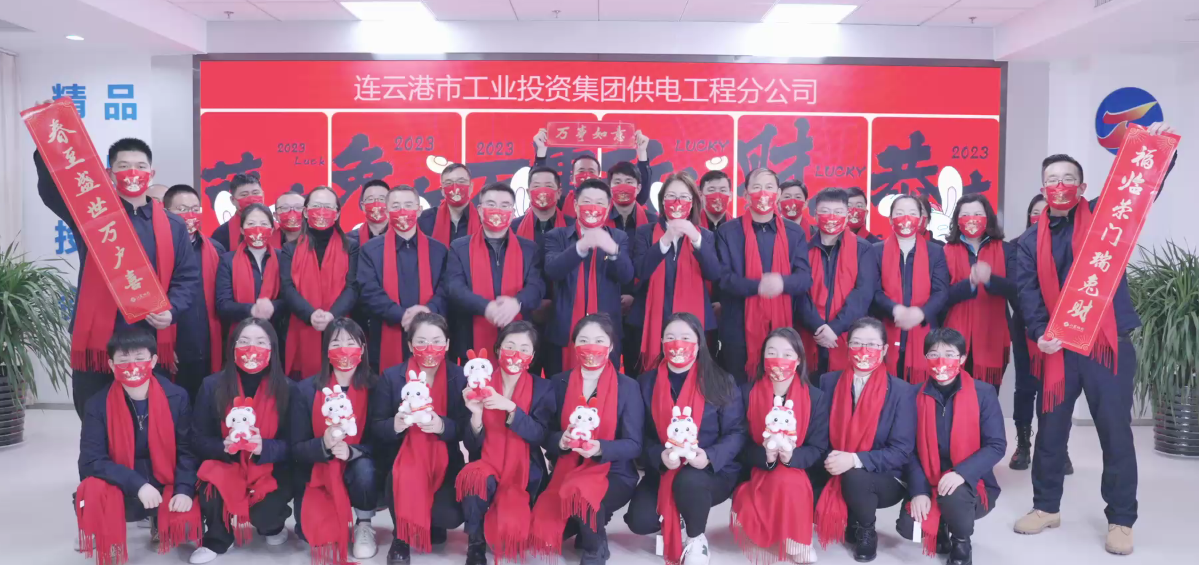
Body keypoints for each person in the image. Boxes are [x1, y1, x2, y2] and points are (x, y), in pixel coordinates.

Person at [1012, 125, 1177, 555]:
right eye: (1052, 180)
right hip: (1059, 349)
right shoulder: (1029, 241)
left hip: (1108, 344)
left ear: (1082, 187)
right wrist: (1039, 333)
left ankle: (1121, 519)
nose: (1060, 185)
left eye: (1068, 178)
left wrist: (1156, 148)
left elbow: (1142, 187)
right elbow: (1028, 293)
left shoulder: (1106, 215)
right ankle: (1046, 507)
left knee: (1115, 432)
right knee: (1051, 430)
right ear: (1043, 188)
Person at [36, 137, 199, 418]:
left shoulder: (173, 226)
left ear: (151, 173)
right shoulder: (89, 216)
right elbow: (54, 191)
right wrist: (45, 141)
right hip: (99, 342)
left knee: (149, 419)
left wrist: (172, 310)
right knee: (95, 416)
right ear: (110, 173)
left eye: (140, 166)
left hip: (149, 337)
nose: (133, 172)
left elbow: (187, 278)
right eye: (123, 166)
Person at [625, 313, 746, 565]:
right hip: (664, 469)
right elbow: (638, 436)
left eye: (685, 338)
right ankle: (682, 513)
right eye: (670, 337)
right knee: (639, 521)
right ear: (661, 342)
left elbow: (737, 432)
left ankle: (695, 538)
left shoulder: (721, 380)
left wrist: (709, 456)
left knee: (689, 481)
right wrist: (659, 455)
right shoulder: (645, 383)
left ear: (699, 343)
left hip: (710, 471)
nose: (677, 343)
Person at [75, 328, 200, 563]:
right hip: (123, 478)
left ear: (153, 361)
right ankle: (108, 538)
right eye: (123, 360)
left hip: (164, 476)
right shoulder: (97, 404)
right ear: (111, 365)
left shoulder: (177, 397)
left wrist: (184, 489)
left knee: (186, 521)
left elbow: (187, 450)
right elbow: (91, 461)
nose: (132, 366)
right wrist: (138, 485)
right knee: (91, 489)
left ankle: (159, 523)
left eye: (140, 358)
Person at [529, 314, 644, 565]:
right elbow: (545, 433)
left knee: (583, 497)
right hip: (567, 469)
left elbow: (634, 444)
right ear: (574, 345)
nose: (591, 346)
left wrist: (600, 448)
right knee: (546, 531)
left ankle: (594, 549)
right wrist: (561, 441)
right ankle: (590, 526)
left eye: (599, 340)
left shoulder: (628, 387)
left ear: (611, 346)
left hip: (613, 472)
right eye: (583, 340)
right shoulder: (558, 382)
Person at [896, 328, 1005, 565]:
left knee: (954, 494)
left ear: (962, 358)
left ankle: (961, 542)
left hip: (971, 480)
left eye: (950, 354)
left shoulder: (983, 393)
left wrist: (961, 473)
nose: (941, 361)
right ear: (925, 358)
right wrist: (919, 491)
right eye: (934, 354)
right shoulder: (912, 395)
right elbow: (908, 450)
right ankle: (943, 525)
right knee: (908, 528)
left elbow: (996, 445)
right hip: (928, 478)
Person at [813, 317, 917, 563]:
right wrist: (832, 458)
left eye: (872, 344)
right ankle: (847, 517)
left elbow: (901, 451)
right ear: (847, 346)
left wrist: (853, 459)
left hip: (885, 475)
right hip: (834, 464)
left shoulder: (902, 391)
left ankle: (866, 529)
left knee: (855, 475)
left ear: (885, 349)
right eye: (857, 343)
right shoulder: (828, 382)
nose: (864, 350)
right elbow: (818, 433)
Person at [189, 319, 293, 563]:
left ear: (272, 349)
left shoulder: (288, 388)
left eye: (260, 342)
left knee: (265, 514)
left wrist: (265, 447)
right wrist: (223, 447)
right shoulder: (212, 385)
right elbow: (197, 438)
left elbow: (295, 444)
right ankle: (217, 538)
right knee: (210, 482)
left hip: (268, 468)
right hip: (226, 463)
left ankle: (272, 526)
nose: (252, 348)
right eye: (244, 341)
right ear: (232, 347)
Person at [369, 312, 467, 564]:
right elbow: (376, 427)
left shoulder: (459, 376)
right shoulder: (392, 377)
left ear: (447, 344)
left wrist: (442, 426)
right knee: (401, 476)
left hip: (444, 462)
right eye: (421, 342)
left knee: (450, 515)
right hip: (402, 458)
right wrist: (396, 425)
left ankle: (431, 523)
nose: (429, 348)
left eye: (436, 341)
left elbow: (465, 428)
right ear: (410, 345)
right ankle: (401, 538)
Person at [457, 321, 557, 565]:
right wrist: (476, 415)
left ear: (532, 355)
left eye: (524, 348)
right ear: (498, 349)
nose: (516, 354)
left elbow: (540, 436)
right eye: (510, 346)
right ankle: (475, 543)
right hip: (486, 462)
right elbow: (471, 445)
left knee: (511, 535)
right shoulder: (478, 383)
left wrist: (511, 408)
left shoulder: (543, 388)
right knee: (473, 476)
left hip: (525, 468)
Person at [731, 327, 829, 565]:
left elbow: (817, 448)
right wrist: (766, 456)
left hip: (798, 467)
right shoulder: (745, 393)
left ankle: (795, 538)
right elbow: (739, 442)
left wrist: (790, 457)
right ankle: (792, 537)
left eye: (787, 354)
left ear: (799, 359)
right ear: (763, 357)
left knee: (789, 477)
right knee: (781, 477)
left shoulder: (816, 397)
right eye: (772, 352)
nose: (779, 359)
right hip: (757, 466)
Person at [290, 318, 382, 562]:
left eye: (351, 343)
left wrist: (352, 452)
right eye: (336, 343)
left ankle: (364, 522)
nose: (344, 349)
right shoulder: (305, 390)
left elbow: (381, 442)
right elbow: (296, 448)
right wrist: (323, 445)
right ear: (326, 351)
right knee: (310, 535)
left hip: (358, 466)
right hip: (319, 470)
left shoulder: (376, 387)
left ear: (362, 348)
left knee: (364, 468)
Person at [715, 168, 812, 383]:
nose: (763, 193)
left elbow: (805, 278)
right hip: (738, 328)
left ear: (778, 194)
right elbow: (722, 278)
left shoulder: (794, 233)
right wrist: (758, 287)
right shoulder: (727, 231)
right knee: (739, 388)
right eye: (757, 187)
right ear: (746, 194)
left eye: (769, 187)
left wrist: (782, 283)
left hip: (781, 327)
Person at [630, 173, 723, 375]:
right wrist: (665, 240)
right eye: (671, 196)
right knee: (651, 378)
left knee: (696, 377)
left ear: (693, 202)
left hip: (694, 321)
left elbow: (714, 273)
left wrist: (695, 239)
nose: (677, 202)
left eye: (684, 197)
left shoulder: (705, 236)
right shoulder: (645, 232)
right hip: (651, 318)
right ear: (662, 201)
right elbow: (640, 272)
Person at [542, 179, 635, 376]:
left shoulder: (619, 237)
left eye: (600, 203)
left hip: (606, 333)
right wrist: (581, 246)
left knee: (605, 388)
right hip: (564, 332)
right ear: (576, 206)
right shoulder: (556, 236)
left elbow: (626, 276)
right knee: (562, 386)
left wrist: (612, 250)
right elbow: (553, 271)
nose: (593, 207)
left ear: (608, 208)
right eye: (587, 202)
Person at [1009, 195, 1074, 474]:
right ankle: (1023, 444)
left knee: (1058, 389)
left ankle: (1060, 448)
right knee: (1026, 387)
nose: (1039, 216)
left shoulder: (1068, 241)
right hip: (1027, 327)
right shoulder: (1018, 246)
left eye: (1043, 211)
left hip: (1062, 328)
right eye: (1034, 212)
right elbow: (1017, 289)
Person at [445, 182, 545, 362]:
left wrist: (517, 303)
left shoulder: (529, 249)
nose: (498, 210)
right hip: (470, 340)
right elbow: (454, 287)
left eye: (505, 205)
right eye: (491, 204)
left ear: (513, 213)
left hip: (519, 340)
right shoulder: (459, 248)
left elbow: (536, 286)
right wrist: (486, 307)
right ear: (480, 210)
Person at [357, 185, 450, 372]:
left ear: (419, 210)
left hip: (431, 334)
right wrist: (401, 315)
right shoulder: (370, 250)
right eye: (396, 206)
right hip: (385, 334)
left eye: (408, 205)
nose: (402, 211)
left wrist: (428, 311)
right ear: (386, 211)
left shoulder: (438, 250)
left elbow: (446, 288)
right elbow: (368, 291)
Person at [279, 186, 360, 379]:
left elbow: (353, 286)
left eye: (327, 206)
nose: (322, 211)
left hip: (341, 326)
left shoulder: (351, 246)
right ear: (306, 212)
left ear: (337, 213)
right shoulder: (290, 249)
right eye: (316, 206)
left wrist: (332, 315)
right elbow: (287, 287)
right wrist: (310, 314)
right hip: (303, 324)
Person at [798, 188, 878, 380]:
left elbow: (863, 293)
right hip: (811, 335)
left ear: (847, 215)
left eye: (838, 212)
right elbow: (800, 292)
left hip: (847, 335)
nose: (832, 217)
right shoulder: (803, 249)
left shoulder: (863, 249)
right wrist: (819, 328)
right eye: (825, 211)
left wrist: (834, 328)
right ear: (815, 214)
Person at [871, 194, 949, 384]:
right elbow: (873, 290)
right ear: (890, 219)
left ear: (921, 219)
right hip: (886, 328)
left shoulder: (935, 251)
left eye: (912, 213)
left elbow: (941, 291)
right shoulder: (875, 250)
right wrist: (894, 309)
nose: (906, 218)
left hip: (923, 330)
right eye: (899, 213)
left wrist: (921, 313)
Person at [942, 195, 1015, 388]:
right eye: (965, 215)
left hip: (993, 335)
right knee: (954, 393)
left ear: (988, 217)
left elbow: (1016, 290)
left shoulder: (1007, 250)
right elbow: (941, 295)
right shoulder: (944, 251)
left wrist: (991, 280)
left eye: (977, 214)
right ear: (957, 220)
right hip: (954, 336)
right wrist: (970, 284)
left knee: (986, 394)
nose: (971, 219)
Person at [164, 184, 228, 402]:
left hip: (208, 343)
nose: (190, 215)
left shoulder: (215, 249)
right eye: (182, 209)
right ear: (166, 213)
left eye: (194, 209)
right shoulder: (157, 249)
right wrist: (163, 344)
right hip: (173, 344)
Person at [215, 204, 289, 349]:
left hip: (277, 334)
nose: (258, 228)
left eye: (263, 224)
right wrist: (251, 310)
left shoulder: (283, 257)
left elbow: (290, 297)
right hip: (241, 335)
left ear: (272, 229)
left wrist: (273, 307)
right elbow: (223, 305)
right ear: (242, 230)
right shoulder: (228, 260)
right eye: (251, 224)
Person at [533, 128, 653, 216]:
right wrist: (541, 151)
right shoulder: (561, 203)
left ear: (598, 178)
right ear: (572, 178)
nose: (586, 175)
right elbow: (538, 187)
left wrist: (642, 153)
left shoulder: (611, 203)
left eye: (591, 171)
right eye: (581, 170)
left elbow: (641, 196)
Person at [511, 165, 575, 245]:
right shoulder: (512, 228)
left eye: (548, 186)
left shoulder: (573, 227)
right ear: (528, 193)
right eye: (536, 186)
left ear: (558, 193)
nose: (542, 191)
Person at [419, 163, 477, 245]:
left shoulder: (482, 220)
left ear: (471, 187)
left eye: (461, 182)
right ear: (442, 190)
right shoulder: (425, 219)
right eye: (449, 183)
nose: (455, 187)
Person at [211, 173, 265, 251]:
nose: (251, 198)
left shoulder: (278, 230)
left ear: (263, 195)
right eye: (244, 195)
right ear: (233, 200)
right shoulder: (221, 234)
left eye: (255, 193)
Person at [351, 179, 391, 246]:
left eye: (382, 199)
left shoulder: (402, 237)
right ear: (363, 206)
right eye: (370, 199)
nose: (376, 203)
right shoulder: (349, 240)